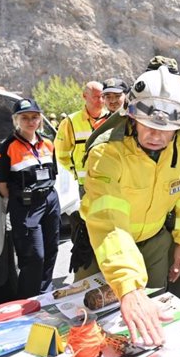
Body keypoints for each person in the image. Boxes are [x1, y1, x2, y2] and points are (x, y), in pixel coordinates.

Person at [80, 66, 180, 345]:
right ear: (131, 116)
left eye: (166, 128)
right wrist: (128, 287)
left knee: (153, 319)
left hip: (154, 241)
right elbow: (109, 221)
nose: (157, 136)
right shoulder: (106, 153)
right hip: (104, 249)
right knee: (93, 328)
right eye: (149, 124)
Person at [0, 98, 60, 298]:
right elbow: (1, 182)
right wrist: (18, 199)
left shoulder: (47, 142)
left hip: (49, 199)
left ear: (40, 119)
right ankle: (29, 300)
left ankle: (45, 294)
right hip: (26, 205)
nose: (30, 121)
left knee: (51, 249)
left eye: (34, 117)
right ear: (16, 120)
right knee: (34, 256)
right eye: (25, 117)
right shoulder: (7, 147)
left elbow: (52, 171)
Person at [54, 81, 107, 250]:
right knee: (85, 226)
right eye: (96, 97)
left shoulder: (112, 119)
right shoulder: (71, 122)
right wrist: (75, 175)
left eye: (102, 97)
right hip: (84, 186)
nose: (100, 100)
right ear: (85, 96)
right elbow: (61, 154)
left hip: (109, 183)